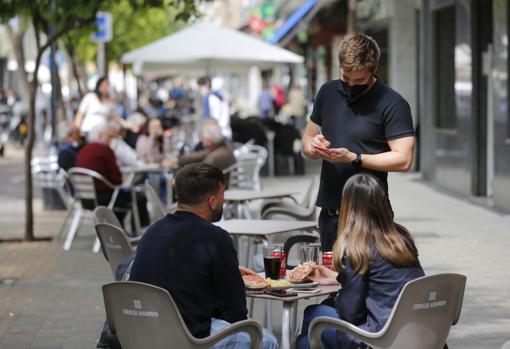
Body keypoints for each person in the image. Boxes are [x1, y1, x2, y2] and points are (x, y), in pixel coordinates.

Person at [129, 163, 278, 349]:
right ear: (212, 201)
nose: (224, 200)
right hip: (187, 338)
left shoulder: (153, 231)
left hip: (139, 332)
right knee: (266, 340)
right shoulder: (216, 238)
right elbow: (236, 313)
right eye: (223, 194)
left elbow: (175, 272)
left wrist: (220, 274)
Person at [301, 32, 415, 252]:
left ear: (374, 70)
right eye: (346, 78)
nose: (351, 85)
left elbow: (403, 159)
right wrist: (313, 147)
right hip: (331, 214)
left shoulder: (393, 103)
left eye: (360, 80)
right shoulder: (327, 92)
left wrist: (355, 158)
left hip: (370, 214)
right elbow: (307, 138)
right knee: (330, 283)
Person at [296, 173, 424, 349]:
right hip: (417, 334)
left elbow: (350, 313)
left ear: (348, 208)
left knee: (313, 315)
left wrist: (342, 290)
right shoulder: (401, 238)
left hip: (381, 339)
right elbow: (384, 280)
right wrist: (339, 277)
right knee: (308, 337)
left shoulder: (359, 248)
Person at [75, 122, 149, 228]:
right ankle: (139, 232)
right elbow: (117, 179)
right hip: (103, 198)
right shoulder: (105, 150)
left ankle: (119, 231)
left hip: (85, 199)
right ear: (100, 136)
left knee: (121, 197)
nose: (111, 140)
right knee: (138, 196)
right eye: (109, 136)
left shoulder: (83, 151)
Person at [73, 77, 138, 136]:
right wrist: (76, 130)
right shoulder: (90, 97)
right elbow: (80, 114)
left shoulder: (111, 103)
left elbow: (116, 119)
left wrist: (129, 125)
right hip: (88, 131)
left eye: (107, 85)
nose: (106, 87)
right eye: (104, 85)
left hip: (103, 133)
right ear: (99, 86)